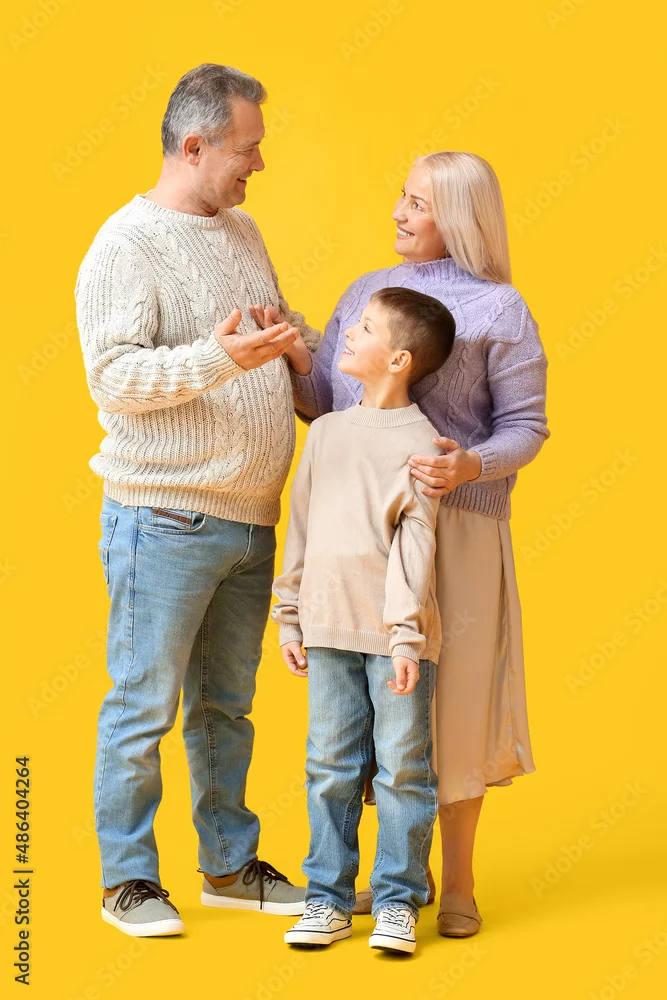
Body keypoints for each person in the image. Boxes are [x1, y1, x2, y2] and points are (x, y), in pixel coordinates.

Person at [257, 150, 549, 936]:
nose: (398, 211)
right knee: (365, 710)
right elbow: (330, 405)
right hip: (361, 531)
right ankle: (390, 880)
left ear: (458, 216)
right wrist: (297, 357)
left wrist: (468, 465)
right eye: (402, 195)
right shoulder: (366, 293)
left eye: (418, 203)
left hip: (462, 531)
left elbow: (526, 427)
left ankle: (456, 883)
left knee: (452, 708)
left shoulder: (501, 310)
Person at [74, 63, 325, 937]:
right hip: (165, 518)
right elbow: (113, 378)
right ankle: (127, 883)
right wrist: (222, 359)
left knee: (226, 709)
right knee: (143, 705)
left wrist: (308, 355)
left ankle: (227, 867)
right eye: (246, 149)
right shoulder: (124, 245)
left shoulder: (241, 230)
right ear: (193, 145)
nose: (258, 164)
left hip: (252, 518)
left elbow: (276, 327)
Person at [271, 287, 456, 955]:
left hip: (395, 639)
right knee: (329, 766)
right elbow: (300, 528)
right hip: (326, 629)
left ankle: (397, 902)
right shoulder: (325, 433)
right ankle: (326, 900)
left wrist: (405, 637)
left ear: (399, 359)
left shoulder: (423, 446)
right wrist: (289, 616)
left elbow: (416, 548)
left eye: (367, 327)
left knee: (403, 770)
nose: (347, 331)